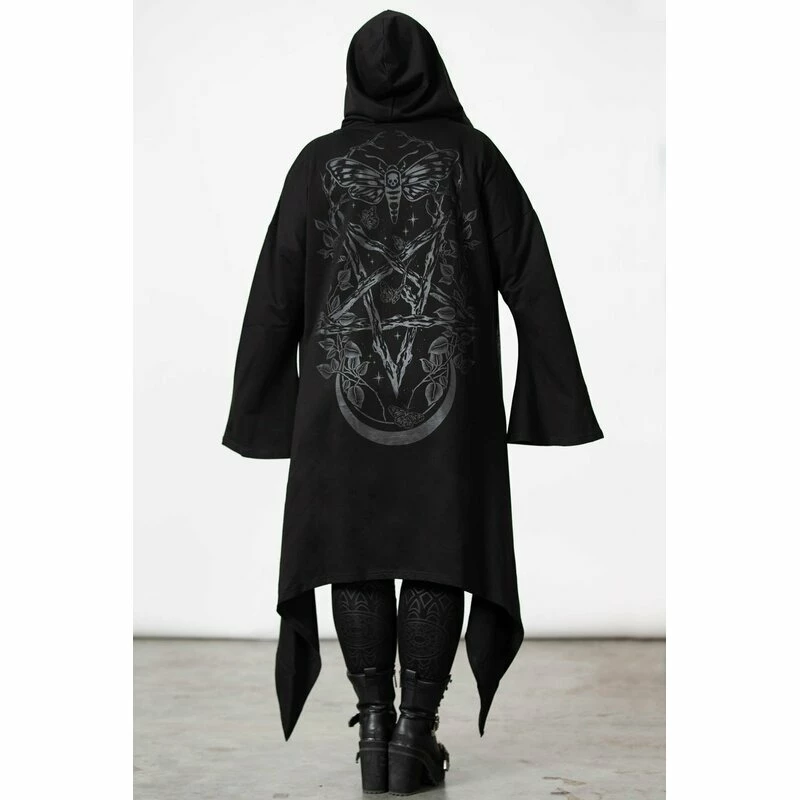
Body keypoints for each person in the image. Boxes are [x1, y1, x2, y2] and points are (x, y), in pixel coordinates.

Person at [222, 10, 603, 795]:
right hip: (447, 404)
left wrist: (265, 402)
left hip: (341, 403)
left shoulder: (317, 164)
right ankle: (415, 736)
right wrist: (552, 395)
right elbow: (529, 274)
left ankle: (374, 733)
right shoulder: (473, 155)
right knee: (438, 548)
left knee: (353, 552)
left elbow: (275, 292)